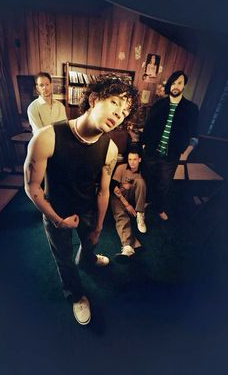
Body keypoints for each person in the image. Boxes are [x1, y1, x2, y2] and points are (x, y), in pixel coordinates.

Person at [24, 74, 138, 325]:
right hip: (56, 211)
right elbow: (31, 187)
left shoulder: (110, 148)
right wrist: (56, 220)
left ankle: (87, 258)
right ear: (95, 98)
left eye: (125, 112)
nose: (119, 114)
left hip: (87, 208)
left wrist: (98, 227)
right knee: (63, 259)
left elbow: (103, 191)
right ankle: (75, 294)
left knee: (90, 244)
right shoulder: (46, 137)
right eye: (115, 103)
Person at [142, 70, 199, 221]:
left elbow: (194, 135)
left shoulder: (191, 109)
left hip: (172, 155)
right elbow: (147, 127)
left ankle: (160, 207)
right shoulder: (158, 105)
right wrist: (143, 145)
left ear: (184, 85)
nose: (176, 86)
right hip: (151, 153)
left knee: (164, 183)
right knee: (149, 179)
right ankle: (146, 201)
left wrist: (186, 153)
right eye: (173, 83)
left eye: (179, 83)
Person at [111, 149, 147, 261]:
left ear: (140, 159)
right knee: (121, 216)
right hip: (119, 197)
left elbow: (145, 190)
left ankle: (140, 215)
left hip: (134, 198)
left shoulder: (144, 171)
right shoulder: (121, 168)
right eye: (130, 159)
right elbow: (113, 187)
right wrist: (126, 205)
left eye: (135, 159)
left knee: (140, 182)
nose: (132, 162)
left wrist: (141, 205)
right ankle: (127, 247)